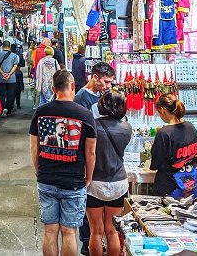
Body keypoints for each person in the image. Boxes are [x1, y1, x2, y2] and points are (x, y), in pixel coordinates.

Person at [29, 70, 97, 256]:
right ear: (73, 87)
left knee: (50, 231)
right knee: (69, 232)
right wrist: (88, 177)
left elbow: (34, 147)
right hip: (74, 182)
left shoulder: (41, 112)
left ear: (53, 88)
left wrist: (39, 171)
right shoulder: (85, 115)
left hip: (47, 179)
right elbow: (90, 152)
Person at [74, 61, 115, 254]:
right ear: (95, 77)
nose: (108, 86)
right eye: (106, 81)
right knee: (87, 204)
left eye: (110, 83)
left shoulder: (101, 95)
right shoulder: (82, 98)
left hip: (100, 156)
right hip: (87, 158)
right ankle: (86, 243)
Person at [87, 92, 132, 256]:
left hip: (95, 183)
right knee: (112, 230)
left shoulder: (93, 125)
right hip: (118, 182)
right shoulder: (127, 128)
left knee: (96, 231)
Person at [150, 94, 197, 199]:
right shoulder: (191, 127)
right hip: (190, 185)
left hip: (168, 189)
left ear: (162, 110)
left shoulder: (164, 133)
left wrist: (158, 135)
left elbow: (155, 163)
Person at [0, 40, 19, 117]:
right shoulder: (14, 55)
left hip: (0, 79)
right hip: (11, 79)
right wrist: (9, 74)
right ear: (10, 46)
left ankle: (3, 108)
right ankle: (8, 109)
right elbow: (15, 66)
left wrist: (2, 73)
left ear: (2, 46)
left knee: (1, 95)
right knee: (11, 95)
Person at [14, 44, 26, 109]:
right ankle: (18, 105)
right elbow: (21, 81)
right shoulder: (20, 73)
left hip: (12, 86)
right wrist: (22, 88)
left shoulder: (12, 72)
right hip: (18, 87)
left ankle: (12, 105)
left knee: (12, 96)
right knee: (18, 96)